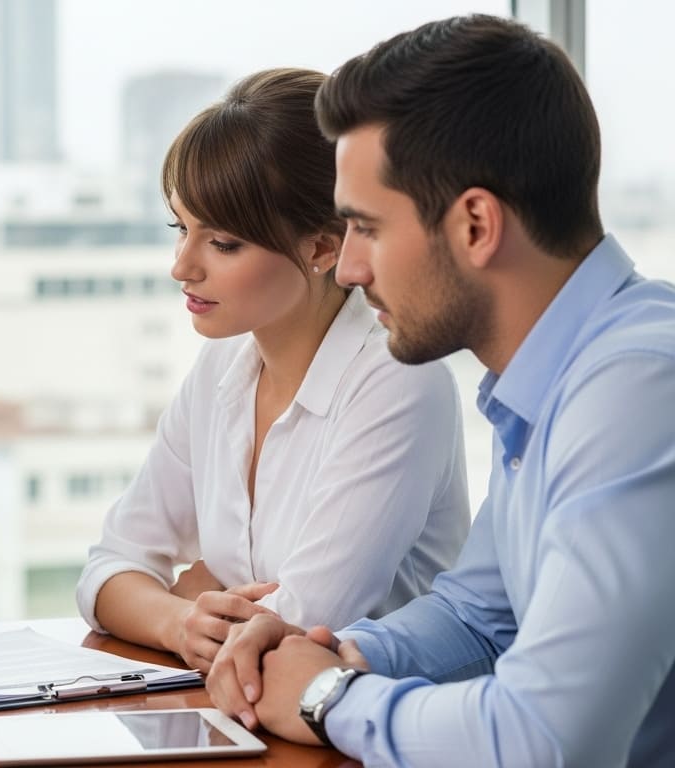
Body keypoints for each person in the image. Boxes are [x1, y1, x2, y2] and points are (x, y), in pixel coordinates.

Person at [206, 15, 675, 767]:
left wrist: (329, 699)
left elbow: (548, 741)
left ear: (476, 225)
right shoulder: (549, 381)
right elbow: (480, 618)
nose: (350, 269)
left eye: (365, 228)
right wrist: (334, 652)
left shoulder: (639, 388)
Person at [75, 68, 470, 673]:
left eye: (224, 243)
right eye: (182, 228)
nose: (182, 266)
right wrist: (181, 618)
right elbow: (107, 569)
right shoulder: (221, 367)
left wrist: (192, 588)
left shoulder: (399, 380)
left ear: (321, 248)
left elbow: (304, 628)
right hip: (246, 721)